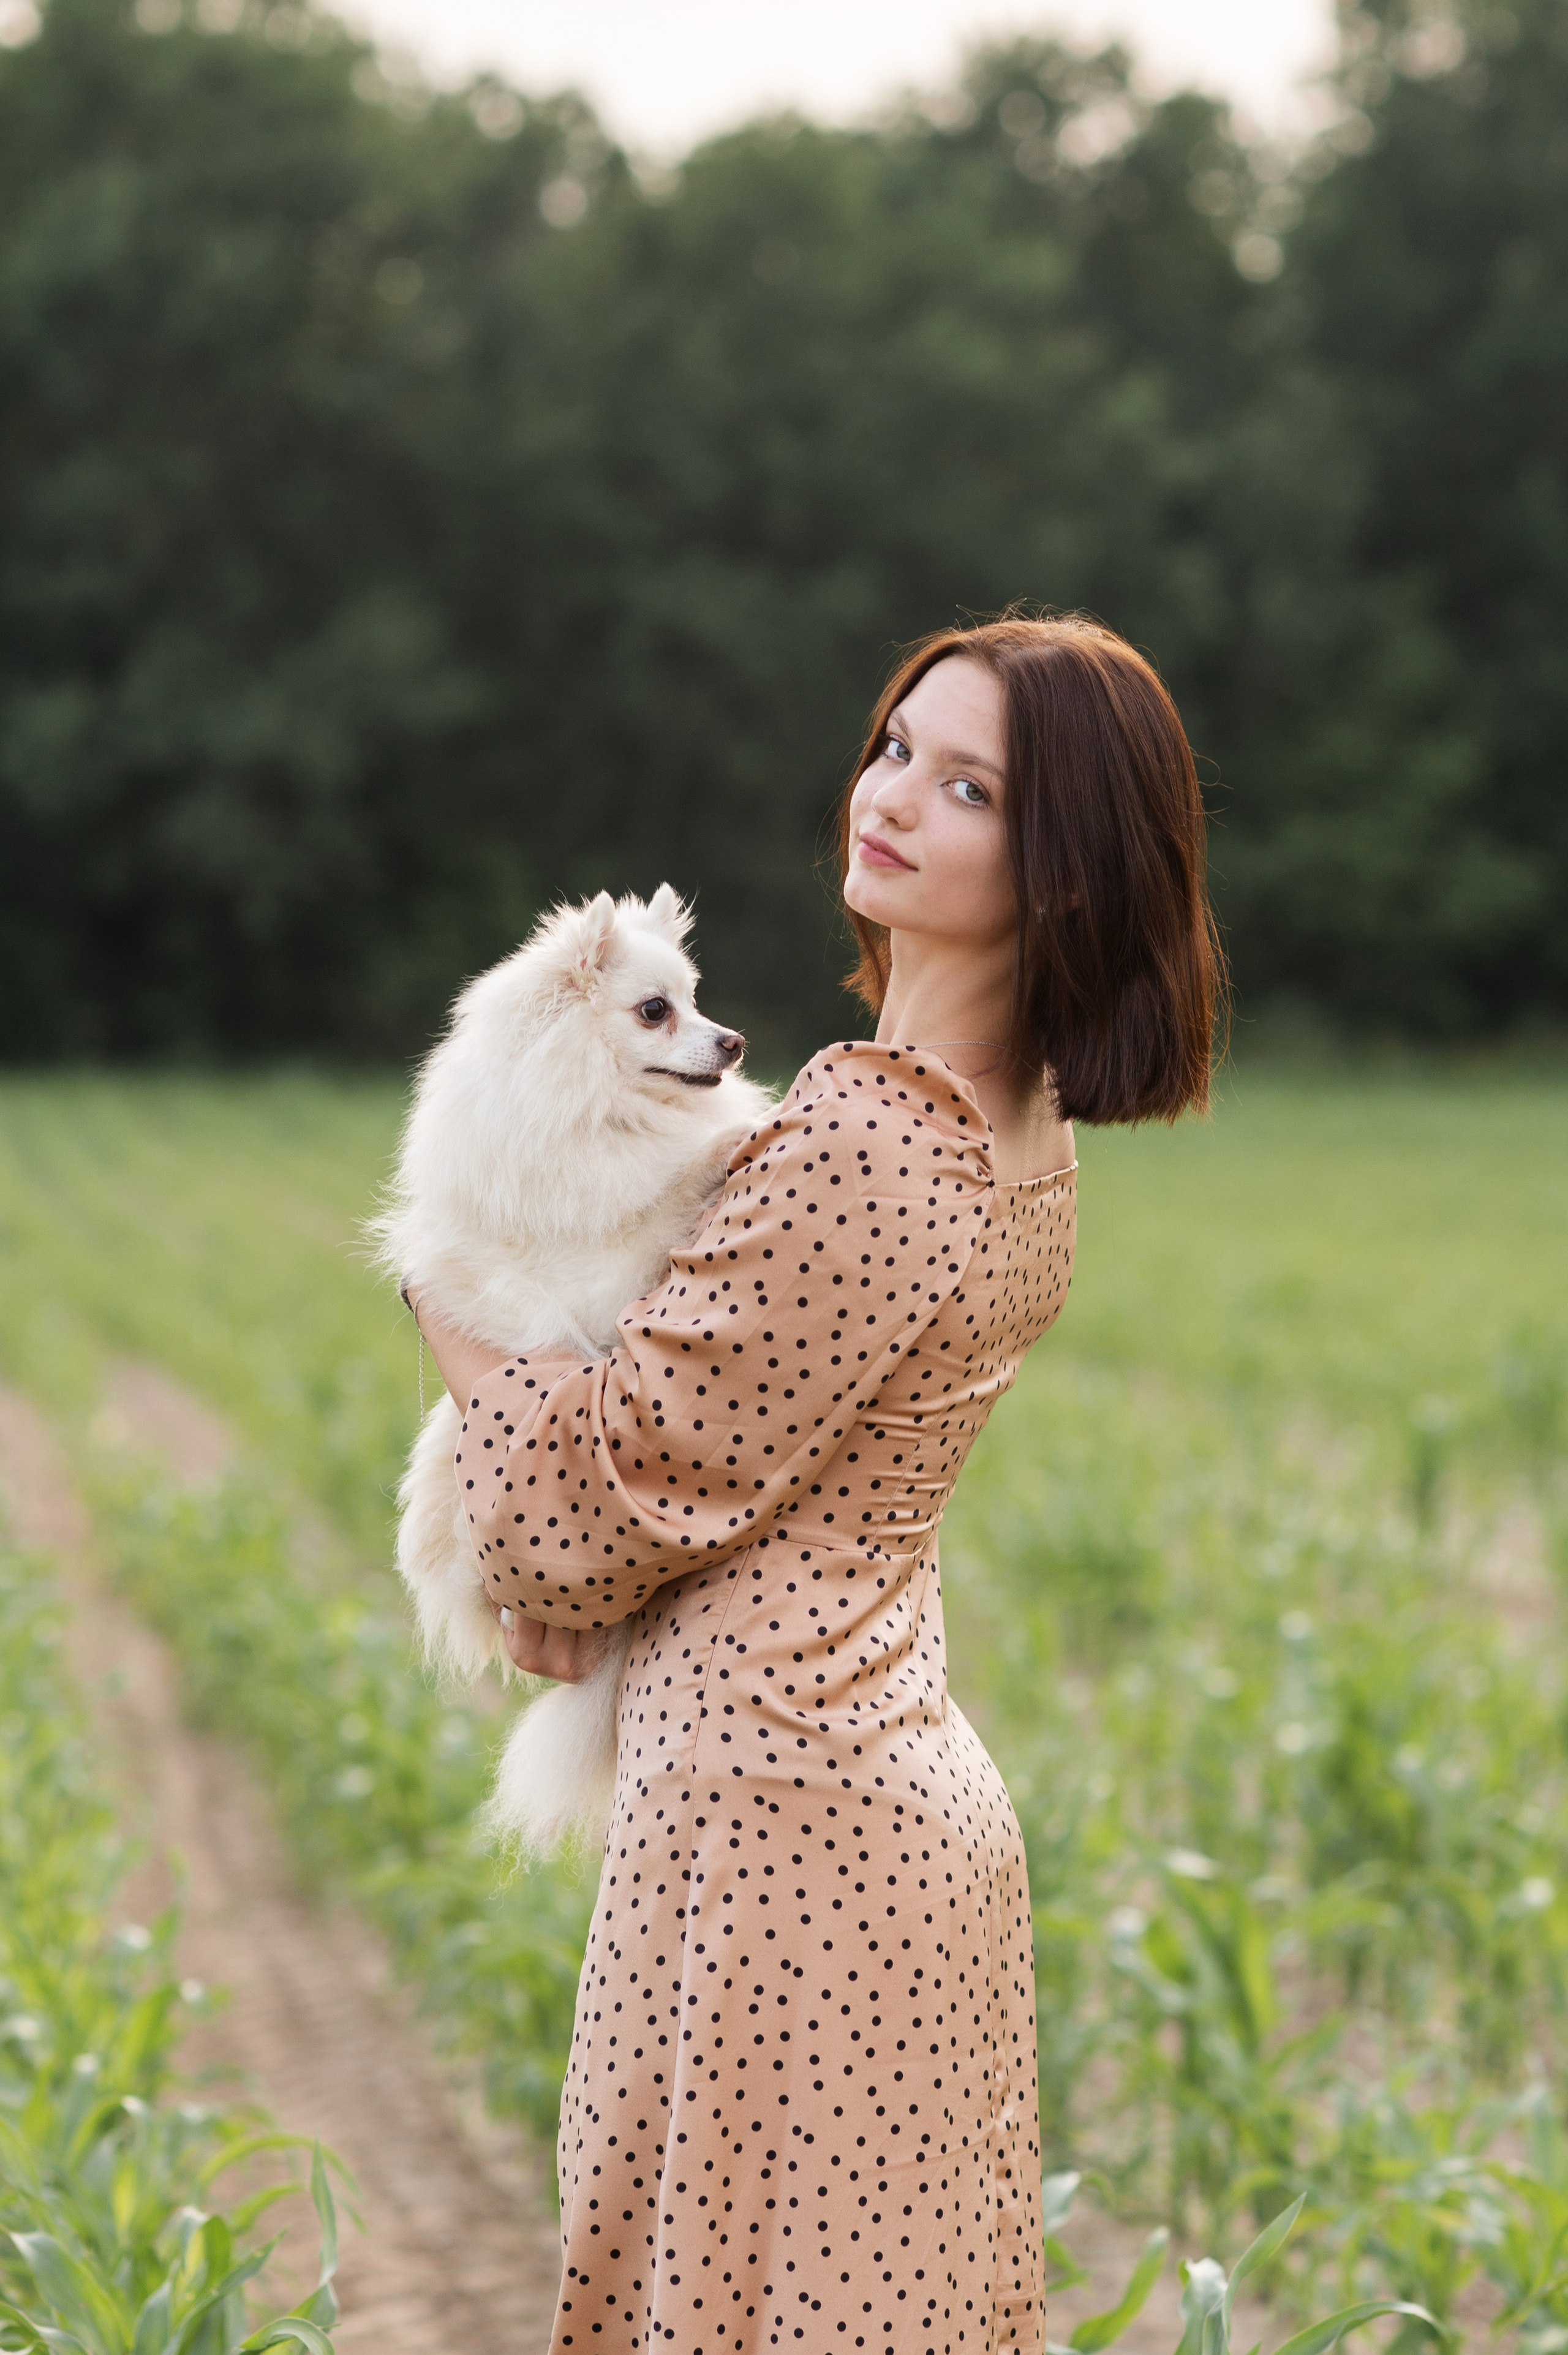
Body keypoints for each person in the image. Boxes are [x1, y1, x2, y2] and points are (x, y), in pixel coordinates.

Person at [408, 613, 1223, 2355]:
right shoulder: (1012, 1131)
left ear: (1066, 871)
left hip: (787, 1844)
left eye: (971, 785)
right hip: (872, 1798)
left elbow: (570, 1525)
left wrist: (439, 1304)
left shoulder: (867, 1144)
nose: (896, 797)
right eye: (896, 747)